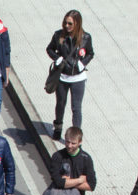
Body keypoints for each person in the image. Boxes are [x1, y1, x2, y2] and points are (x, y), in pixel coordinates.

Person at [45, 10, 93, 140]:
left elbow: (90, 53)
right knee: (60, 103)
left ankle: (76, 136)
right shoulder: (58, 35)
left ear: (77, 24)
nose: (66, 26)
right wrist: (57, 58)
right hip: (62, 76)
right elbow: (49, 49)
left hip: (78, 78)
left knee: (76, 108)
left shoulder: (85, 37)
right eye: (65, 23)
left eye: (70, 23)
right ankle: (58, 127)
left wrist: (83, 63)